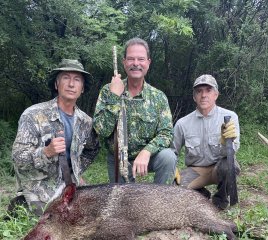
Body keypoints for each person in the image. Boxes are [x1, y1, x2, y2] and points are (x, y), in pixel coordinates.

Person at [10, 59, 99, 216]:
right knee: (57, 218)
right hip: (38, 186)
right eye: (66, 77)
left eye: (77, 79)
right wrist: (46, 152)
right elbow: (18, 158)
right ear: (57, 84)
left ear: (82, 88)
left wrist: (76, 171)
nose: (71, 84)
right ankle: (21, 203)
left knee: (94, 212)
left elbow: (92, 150)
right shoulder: (33, 114)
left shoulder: (86, 121)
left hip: (70, 185)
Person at [93, 38, 176, 184]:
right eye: (131, 59)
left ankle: (161, 201)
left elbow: (166, 133)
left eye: (141, 59)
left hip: (149, 158)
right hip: (118, 159)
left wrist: (146, 151)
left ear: (148, 62)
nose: (136, 63)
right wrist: (114, 97)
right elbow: (101, 131)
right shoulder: (108, 90)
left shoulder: (158, 97)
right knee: (123, 204)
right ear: (124, 62)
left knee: (168, 157)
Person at [172, 74, 240, 209]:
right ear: (194, 97)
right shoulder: (182, 123)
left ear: (216, 94)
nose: (203, 95)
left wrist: (224, 142)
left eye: (208, 90)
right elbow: (172, 151)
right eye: (199, 91)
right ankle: (200, 194)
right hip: (196, 170)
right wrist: (173, 169)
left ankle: (220, 200)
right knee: (174, 187)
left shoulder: (230, 117)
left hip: (218, 168)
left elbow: (233, 150)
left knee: (229, 166)